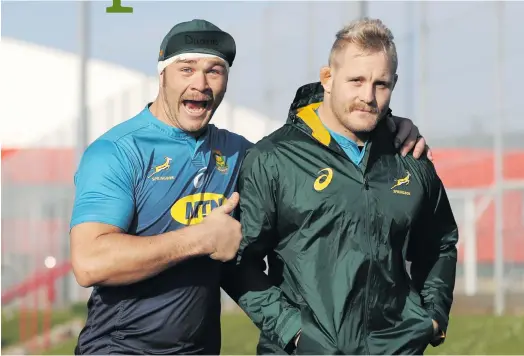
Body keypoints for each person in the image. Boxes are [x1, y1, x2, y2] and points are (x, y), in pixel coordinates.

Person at [69, 19, 434, 355]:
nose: (200, 83)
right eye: (187, 69)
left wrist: (381, 122)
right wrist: (200, 238)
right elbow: (89, 262)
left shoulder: (238, 153)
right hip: (119, 350)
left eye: (214, 71)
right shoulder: (117, 151)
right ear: (162, 75)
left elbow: (301, 140)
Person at [234, 18, 458, 355]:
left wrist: (432, 317)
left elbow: (440, 245)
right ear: (328, 78)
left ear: (394, 84)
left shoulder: (410, 158)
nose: (368, 96)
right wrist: (294, 332)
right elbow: (238, 261)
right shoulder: (273, 158)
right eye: (356, 80)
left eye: (381, 84)